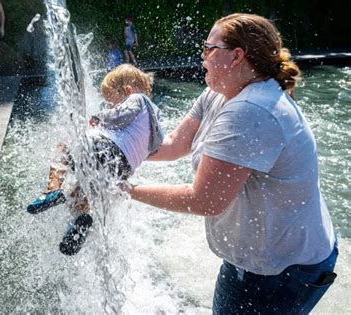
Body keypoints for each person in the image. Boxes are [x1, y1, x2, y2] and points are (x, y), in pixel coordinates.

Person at [123, 13, 337, 314]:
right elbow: (174, 143)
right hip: (257, 259)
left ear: (237, 56)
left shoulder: (252, 110)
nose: (202, 55)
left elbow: (204, 200)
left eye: (209, 48)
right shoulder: (218, 91)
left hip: (283, 271)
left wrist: (126, 189)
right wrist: (116, 150)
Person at [27, 64, 164, 256]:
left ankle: (52, 190)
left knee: (64, 146)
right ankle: (82, 219)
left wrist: (100, 117)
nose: (110, 107)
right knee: (79, 190)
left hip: (105, 151)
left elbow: (122, 115)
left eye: (112, 103)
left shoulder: (136, 98)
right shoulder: (155, 121)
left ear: (127, 91)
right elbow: (154, 148)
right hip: (120, 170)